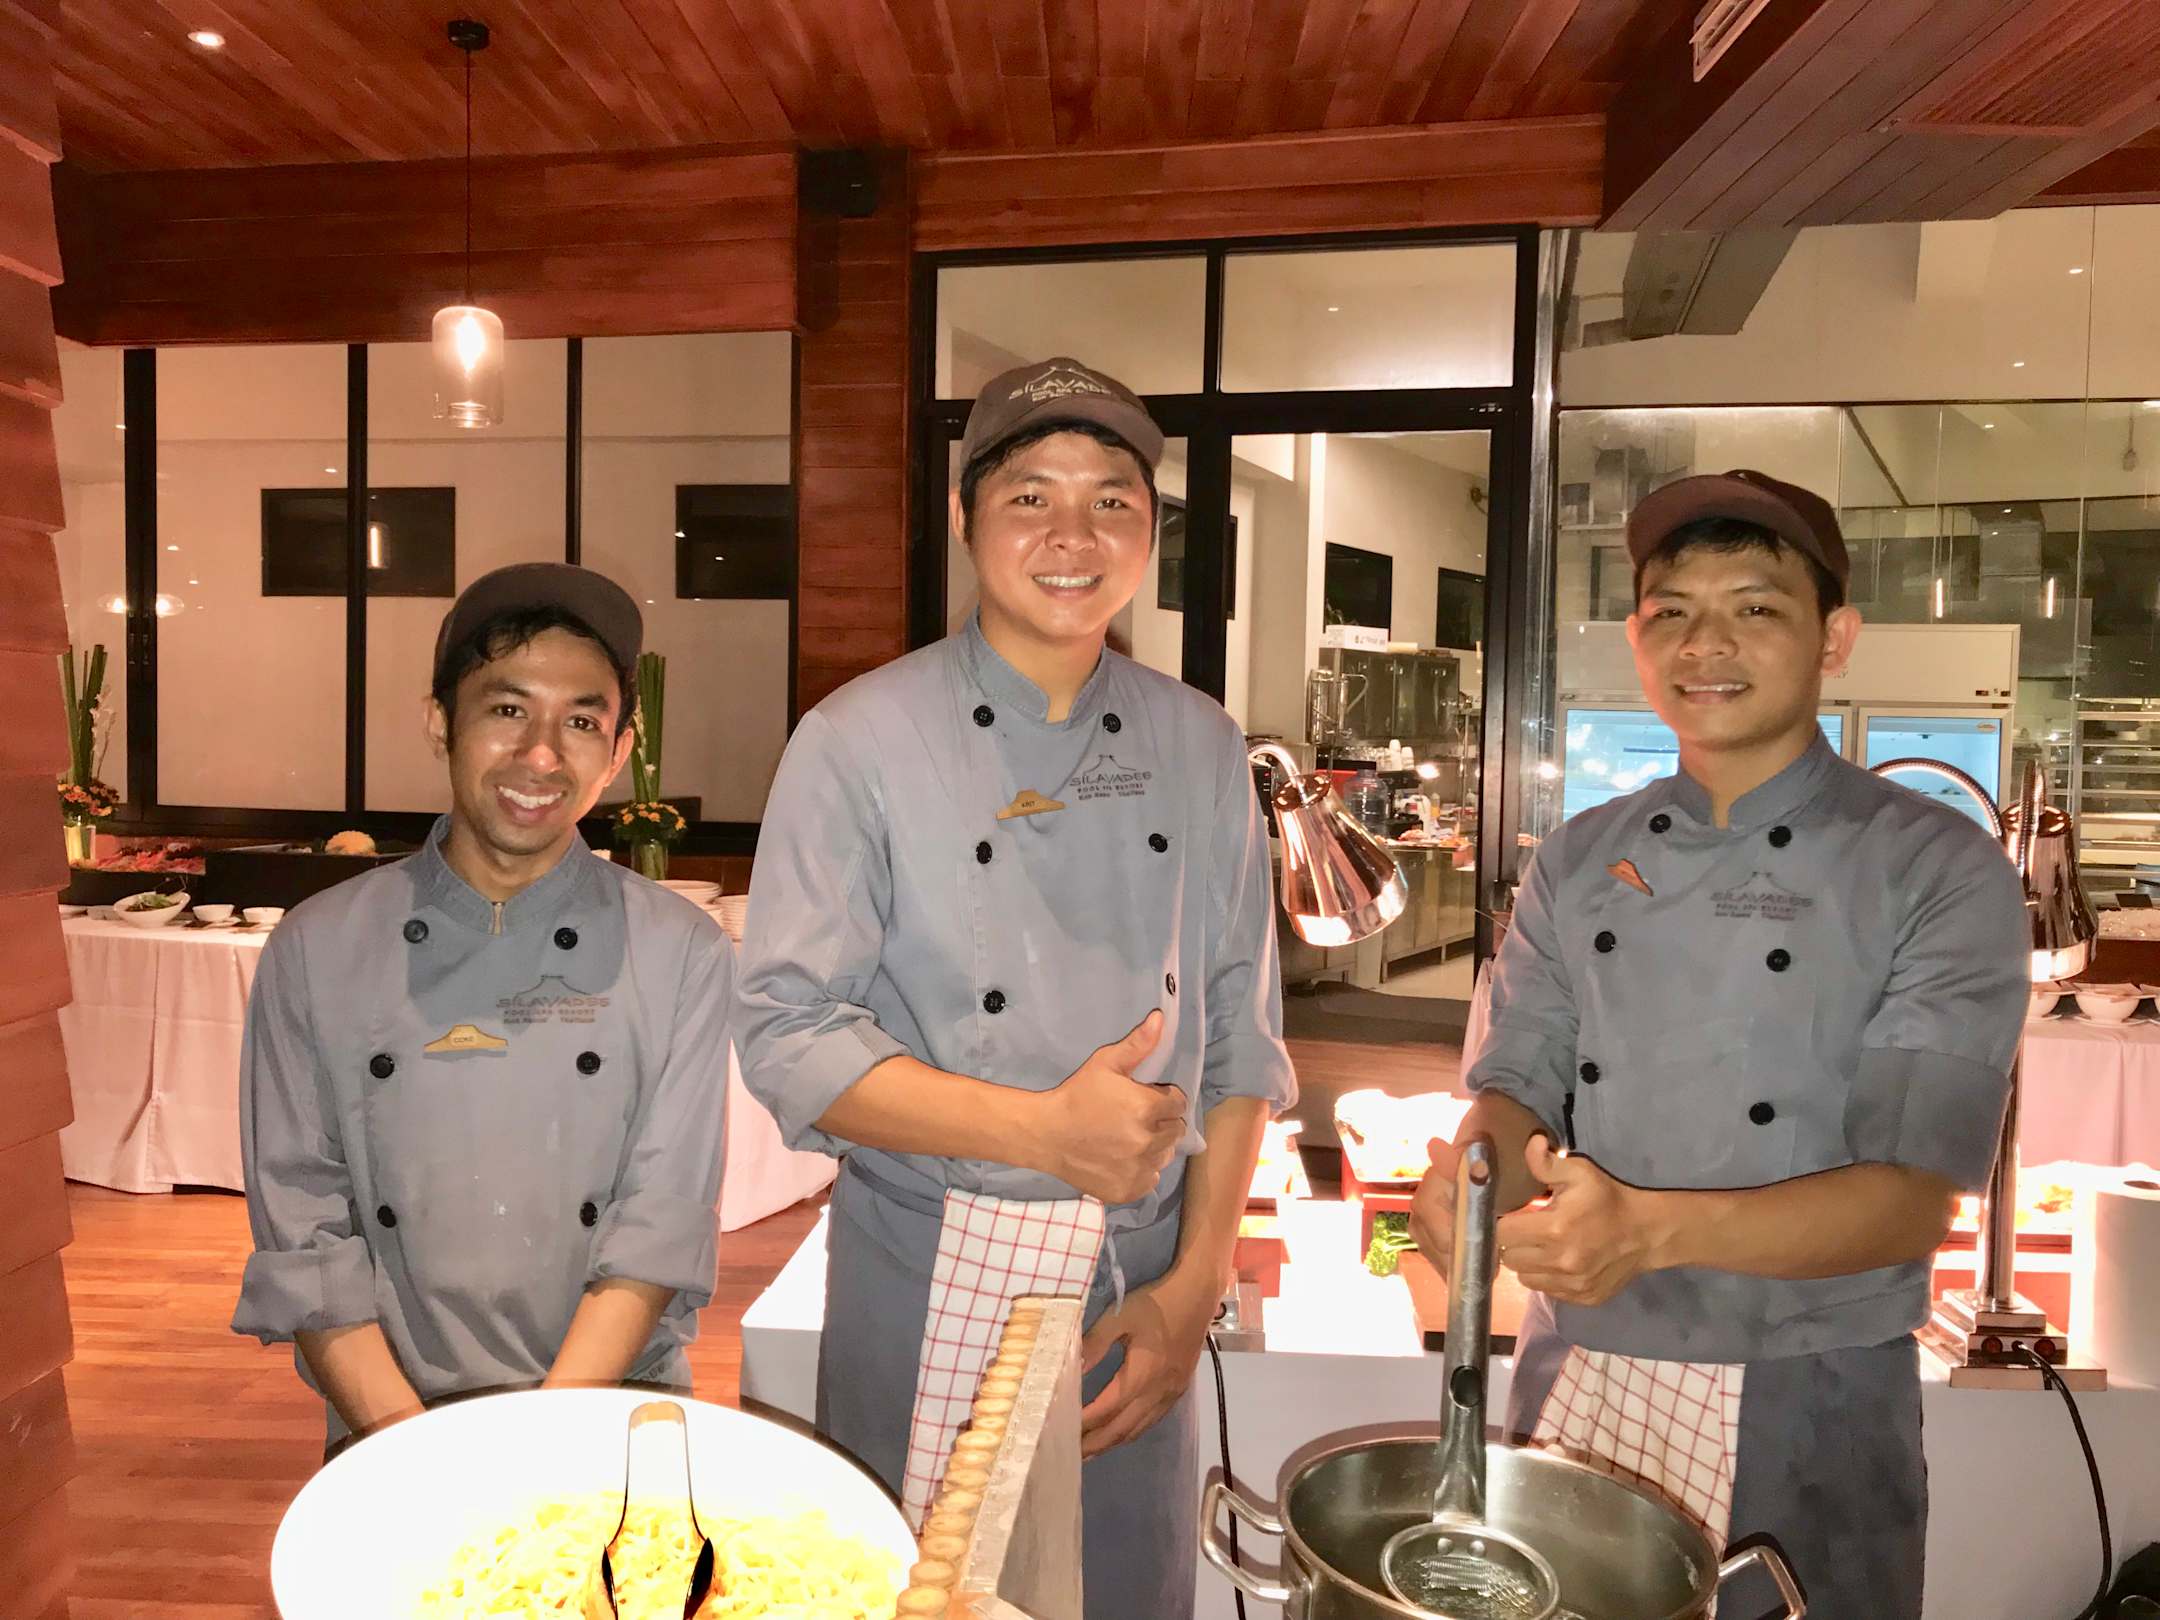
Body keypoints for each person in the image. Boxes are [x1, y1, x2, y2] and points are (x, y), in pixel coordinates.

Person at [1412, 470, 2028, 1618]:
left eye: (1756, 607)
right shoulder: (1579, 857)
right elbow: (1517, 1079)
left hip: (1809, 1392)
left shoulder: (1936, 867)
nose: (1706, 644)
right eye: (1673, 610)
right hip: (1580, 1370)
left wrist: (1650, 1231)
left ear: (1835, 637)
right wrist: (1474, 1184)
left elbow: (1909, 1202)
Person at [734, 357, 1293, 1619]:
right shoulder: (858, 740)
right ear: (963, 516)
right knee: (916, 1592)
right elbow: (786, 1036)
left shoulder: (1200, 742)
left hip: (1138, 1282)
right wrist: (1040, 1131)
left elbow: (1243, 1036)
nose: (1072, 536)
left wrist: (1195, 1284)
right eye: (1031, 495)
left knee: (1124, 1591)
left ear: (1151, 531)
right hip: (924, 1266)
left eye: (1111, 501)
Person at [233, 563, 732, 1454]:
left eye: (581, 721)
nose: (542, 755)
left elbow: (659, 1226)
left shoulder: (680, 950)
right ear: (440, 721)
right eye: (507, 709)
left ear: (619, 751)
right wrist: (414, 1450)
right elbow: (306, 1235)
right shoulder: (318, 947)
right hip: (391, 1430)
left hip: (610, 1420)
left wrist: (539, 1448)